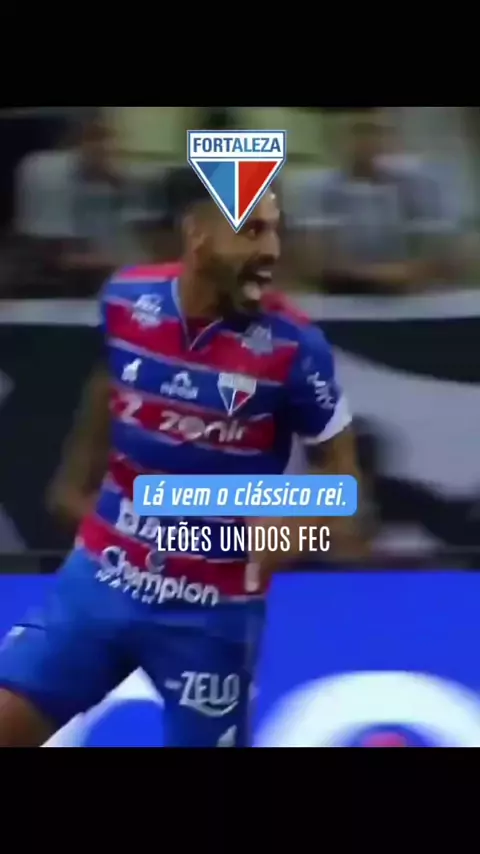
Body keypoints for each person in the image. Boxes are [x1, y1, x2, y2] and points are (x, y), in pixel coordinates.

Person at [0, 177, 363, 748]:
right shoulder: (125, 299)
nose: (270, 250)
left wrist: (286, 533)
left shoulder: (296, 347)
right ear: (197, 233)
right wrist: (75, 477)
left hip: (209, 616)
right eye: (251, 232)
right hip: (102, 580)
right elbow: (111, 381)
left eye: (275, 232)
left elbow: (342, 478)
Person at [285, 115, 459, 295]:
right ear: (338, 141)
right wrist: (380, 275)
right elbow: (311, 259)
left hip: (416, 293)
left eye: (377, 133)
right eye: (359, 133)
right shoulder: (314, 189)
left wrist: (413, 272)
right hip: (339, 293)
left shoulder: (421, 186)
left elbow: (445, 252)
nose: (368, 143)